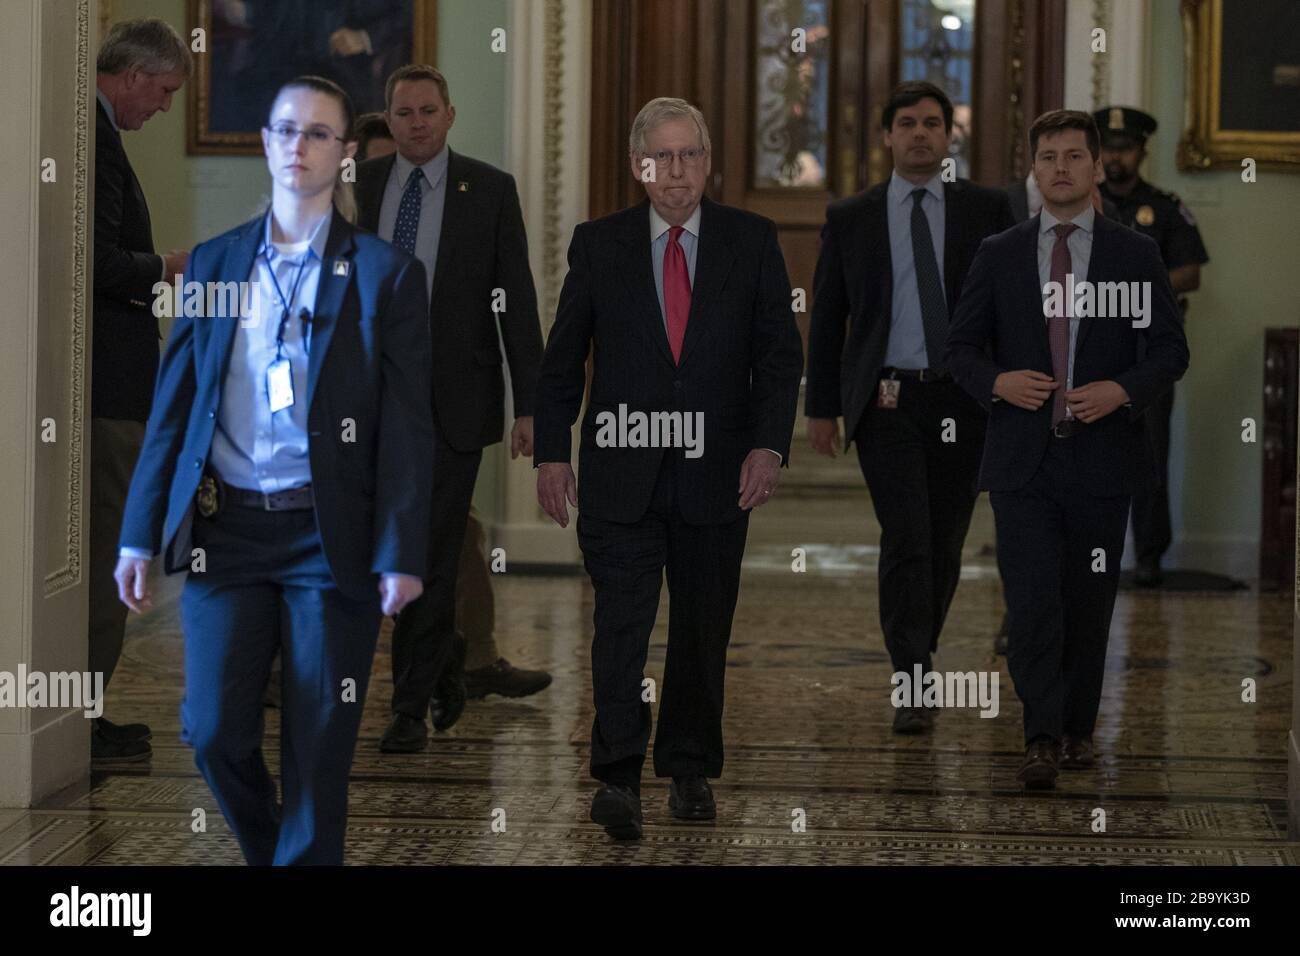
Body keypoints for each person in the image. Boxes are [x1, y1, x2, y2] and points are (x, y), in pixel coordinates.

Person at [115, 75, 433, 864]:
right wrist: (136, 534)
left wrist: (399, 551)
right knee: (213, 728)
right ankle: (277, 855)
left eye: (319, 133)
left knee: (319, 748)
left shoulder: (383, 276)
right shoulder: (217, 265)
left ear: (346, 155)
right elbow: (174, 409)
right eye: (285, 129)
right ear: (265, 142)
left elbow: (406, 429)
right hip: (228, 533)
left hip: (332, 540)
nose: (299, 145)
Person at [535, 97, 803, 840]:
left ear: (708, 162)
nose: (677, 172)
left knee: (700, 629)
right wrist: (553, 453)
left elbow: (779, 358)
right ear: (638, 165)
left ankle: (688, 766)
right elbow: (562, 364)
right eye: (662, 157)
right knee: (620, 628)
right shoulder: (600, 244)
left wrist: (768, 445)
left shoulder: (751, 241)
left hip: (718, 475)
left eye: (690, 155)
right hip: (622, 472)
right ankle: (616, 775)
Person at [946, 109, 1189, 790]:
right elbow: (960, 350)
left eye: (1074, 156)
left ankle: (1080, 726)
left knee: (1088, 601)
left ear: (1093, 168)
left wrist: (1122, 389)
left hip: (1103, 458)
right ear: (1033, 169)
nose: (1061, 167)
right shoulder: (1000, 254)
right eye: (1048, 156)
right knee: (1030, 605)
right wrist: (997, 381)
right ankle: (1041, 736)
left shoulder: (1133, 255)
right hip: (1024, 461)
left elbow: (1171, 350)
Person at [805, 81, 1015, 732]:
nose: (920, 133)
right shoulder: (852, 216)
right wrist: (823, 405)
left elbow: (1009, 308)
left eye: (933, 123)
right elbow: (830, 312)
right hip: (887, 398)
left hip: (963, 398)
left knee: (946, 540)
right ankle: (912, 677)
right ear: (887, 136)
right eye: (907, 123)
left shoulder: (987, 210)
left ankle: (920, 647)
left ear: (950, 136)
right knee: (907, 535)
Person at [354, 65, 548, 753]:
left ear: (450, 114)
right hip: (374, 402)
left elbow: (516, 302)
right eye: (403, 112)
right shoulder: (365, 185)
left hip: (453, 403)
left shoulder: (489, 191)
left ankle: (407, 707)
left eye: (428, 110)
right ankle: (446, 655)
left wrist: (533, 405)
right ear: (390, 117)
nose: (416, 122)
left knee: (432, 551)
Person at [91, 18, 192, 765]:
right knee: (107, 554)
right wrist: (167, 265)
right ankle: (80, 722)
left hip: (115, 388)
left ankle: (84, 717)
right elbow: (96, 262)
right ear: (132, 75)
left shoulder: (98, 134)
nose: (161, 108)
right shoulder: (91, 137)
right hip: (107, 389)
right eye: (161, 93)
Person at [1095, 106, 1209, 587]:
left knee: (1150, 454)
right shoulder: (1080, 203)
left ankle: (1147, 556)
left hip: (1146, 353)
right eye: (1107, 148)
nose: (1115, 157)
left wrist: (1139, 281)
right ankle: (1090, 553)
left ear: (1141, 151)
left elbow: (1191, 272)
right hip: (1091, 347)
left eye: (1124, 148)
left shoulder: (1163, 207)